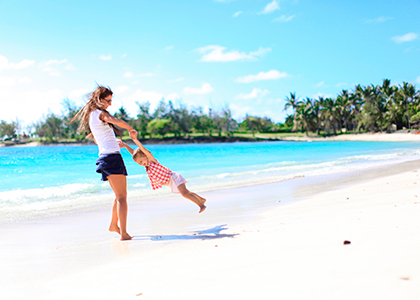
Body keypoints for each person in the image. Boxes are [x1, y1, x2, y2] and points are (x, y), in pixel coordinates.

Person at [70, 86, 137, 240]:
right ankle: (124, 233)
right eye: (108, 101)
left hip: (106, 158)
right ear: (99, 100)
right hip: (111, 158)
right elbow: (116, 121)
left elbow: (97, 137)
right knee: (122, 198)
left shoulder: (92, 116)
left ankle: (114, 225)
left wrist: (113, 141)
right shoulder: (100, 114)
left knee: (119, 196)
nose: (110, 104)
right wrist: (130, 128)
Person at [118, 137, 207, 213]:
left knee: (185, 194)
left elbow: (143, 149)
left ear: (145, 156)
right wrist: (125, 145)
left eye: (141, 161)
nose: (141, 164)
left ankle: (201, 205)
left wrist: (135, 140)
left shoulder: (152, 160)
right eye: (139, 163)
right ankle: (201, 199)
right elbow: (135, 154)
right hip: (171, 183)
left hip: (174, 178)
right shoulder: (146, 165)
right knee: (186, 192)